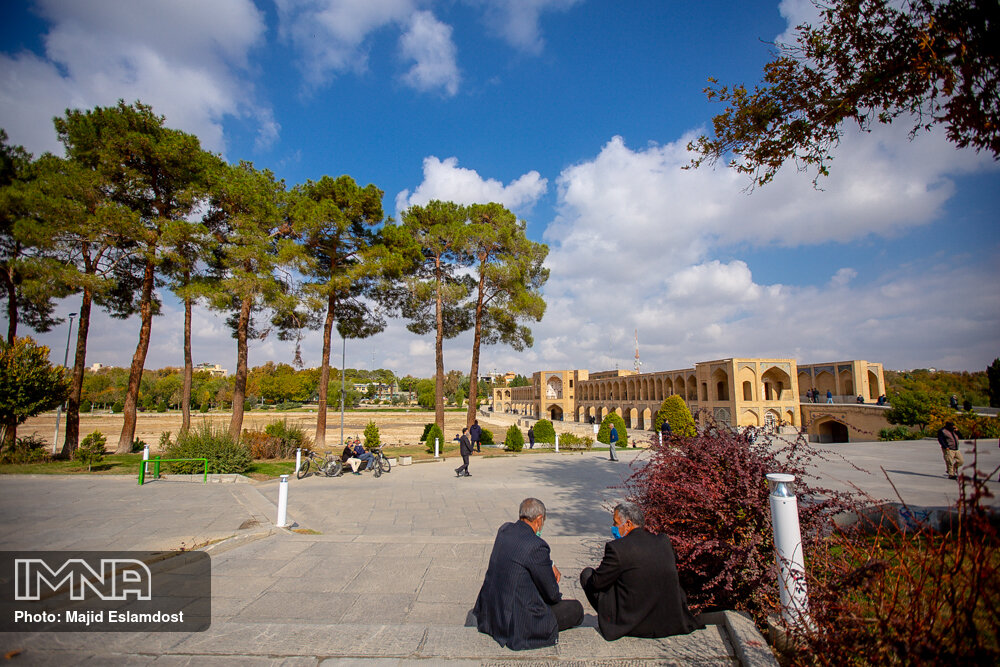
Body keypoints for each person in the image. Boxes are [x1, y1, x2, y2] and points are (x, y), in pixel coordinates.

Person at [580, 502, 703, 641]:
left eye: (616, 523)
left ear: (628, 524)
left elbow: (597, 582)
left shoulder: (617, 548)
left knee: (587, 575)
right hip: (667, 621)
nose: (613, 527)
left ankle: (613, 621)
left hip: (633, 624)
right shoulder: (663, 541)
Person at [473, 498, 583, 650]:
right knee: (576, 609)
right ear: (539, 519)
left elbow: (519, 556)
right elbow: (552, 594)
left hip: (493, 613)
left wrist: (549, 564)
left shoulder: (504, 530)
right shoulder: (536, 546)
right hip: (517, 622)